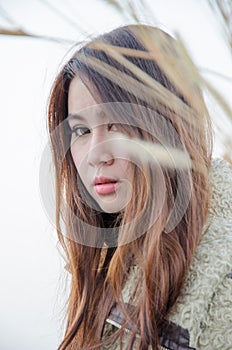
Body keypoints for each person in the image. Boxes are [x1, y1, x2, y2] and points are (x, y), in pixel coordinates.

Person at [47, 24, 232, 349]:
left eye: (115, 124)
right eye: (80, 131)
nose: (95, 155)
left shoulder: (221, 267)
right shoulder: (100, 258)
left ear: (169, 123)